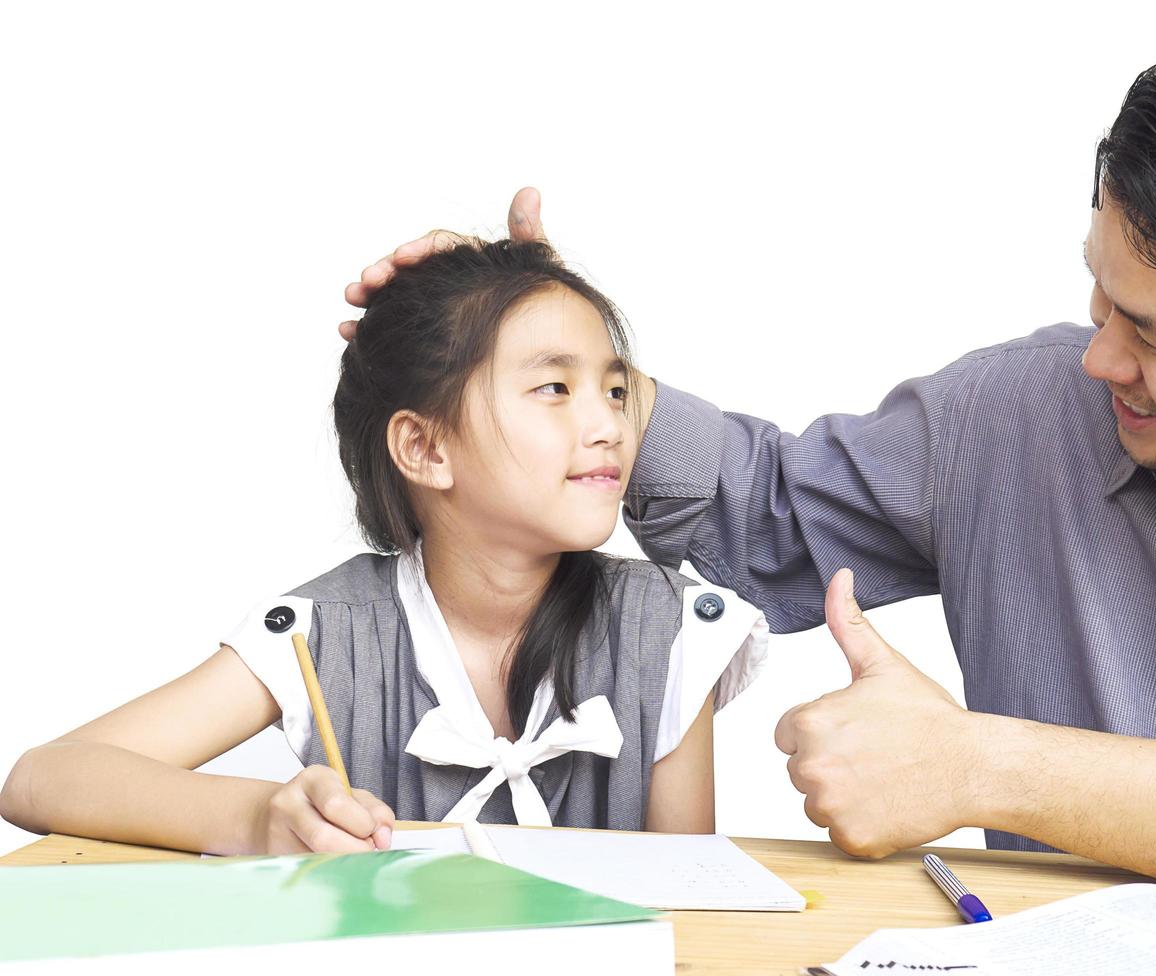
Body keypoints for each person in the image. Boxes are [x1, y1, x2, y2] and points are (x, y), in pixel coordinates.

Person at [340, 33, 1156, 905]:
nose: (1098, 355)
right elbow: (765, 512)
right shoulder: (1016, 410)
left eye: (1155, 334)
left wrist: (985, 767)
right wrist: (537, 353)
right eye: (1098, 291)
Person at [0, 237, 766, 855]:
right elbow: (41, 778)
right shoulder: (328, 631)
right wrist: (259, 817)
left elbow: (692, 915)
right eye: (555, 389)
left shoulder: (670, 631)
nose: (609, 424)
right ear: (424, 448)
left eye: (615, 389)